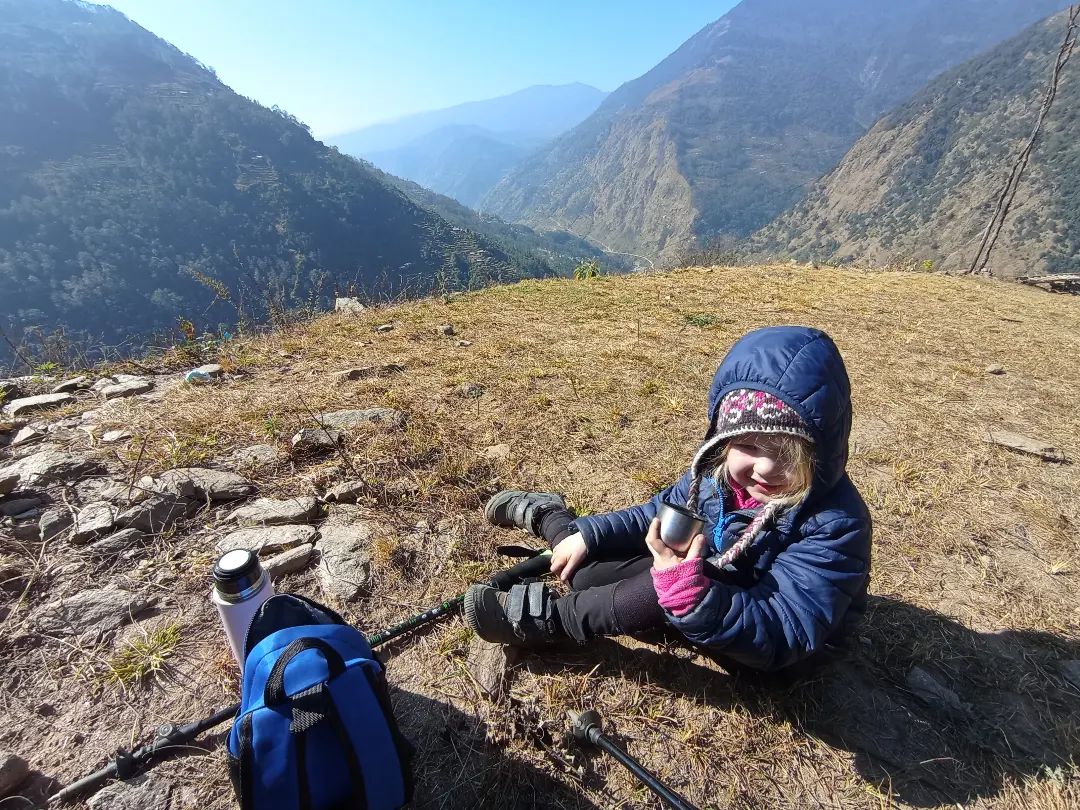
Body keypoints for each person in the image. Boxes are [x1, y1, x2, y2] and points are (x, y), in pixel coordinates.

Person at [463, 326, 872, 671]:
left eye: (786, 452)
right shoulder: (714, 479)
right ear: (723, 440)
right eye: (747, 444)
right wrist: (589, 534)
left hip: (767, 648)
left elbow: (788, 630)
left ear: (818, 453)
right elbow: (655, 515)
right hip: (708, 587)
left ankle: (554, 621)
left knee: (670, 585)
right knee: (584, 571)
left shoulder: (834, 523)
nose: (764, 469)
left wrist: (689, 592)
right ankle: (557, 522)